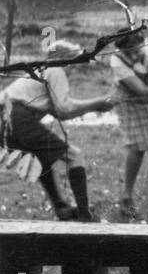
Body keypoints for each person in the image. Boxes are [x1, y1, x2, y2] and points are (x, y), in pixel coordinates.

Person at [0, 40, 113, 222]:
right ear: (65, 59)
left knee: (42, 157)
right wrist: (97, 102)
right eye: (75, 61)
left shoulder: (41, 71)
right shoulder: (56, 69)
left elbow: (60, 112)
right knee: (74, 155)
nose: (75, 67)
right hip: (15, 115)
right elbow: (64, 109)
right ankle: (85, 215)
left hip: (6, 118)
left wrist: (95, 106)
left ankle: (61, 207)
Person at [107, 27, 148, 222]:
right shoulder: (116, 61)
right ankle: (127, 195)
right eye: (128, 52)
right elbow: (141, 90)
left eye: (137, 49)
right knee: (137, 145)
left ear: (143, 42)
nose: (134, 55)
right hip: (130, 100)